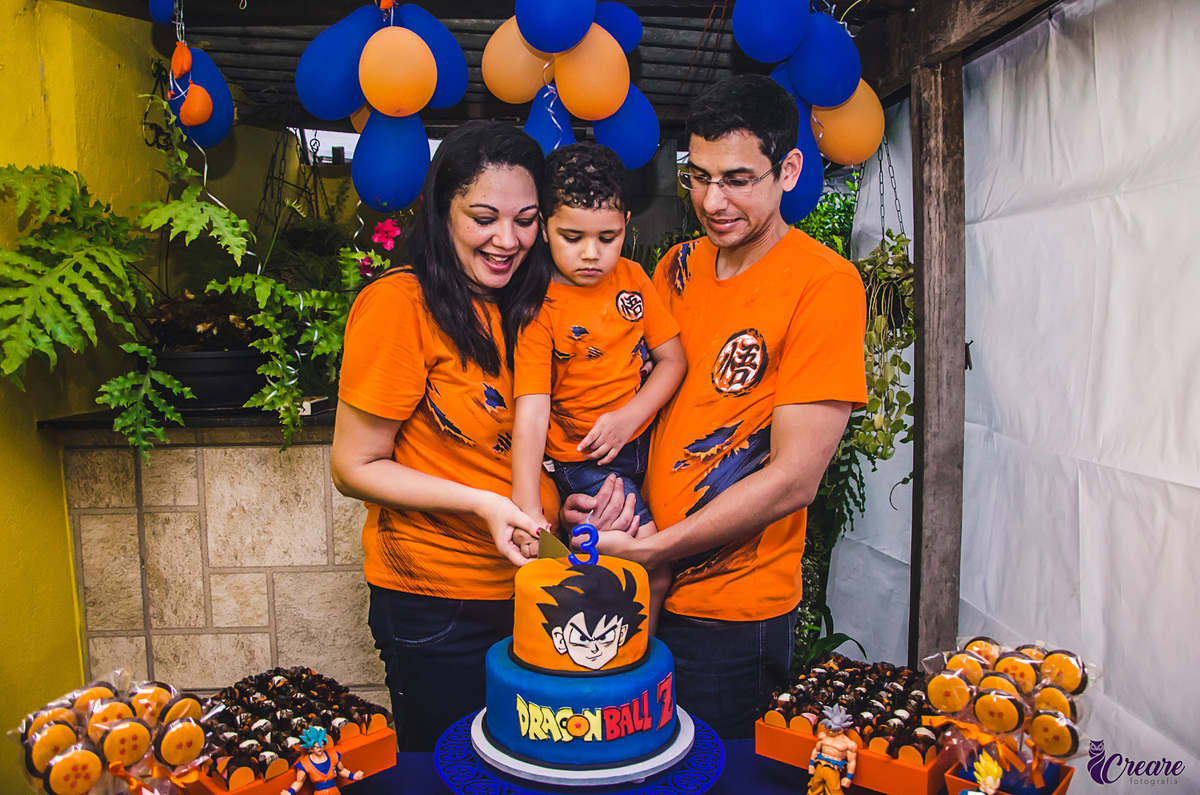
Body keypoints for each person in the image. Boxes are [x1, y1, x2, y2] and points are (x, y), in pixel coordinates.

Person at [563, 75, 868, 738]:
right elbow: (634, 404)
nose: (711, 199)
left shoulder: (824, 285)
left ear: (788, 170)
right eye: (696, 176)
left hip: (733, 615)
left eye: (735, 178)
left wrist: (659, 551)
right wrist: (598, 495)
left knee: (716, 777)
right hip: (640, 584)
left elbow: (794, 478)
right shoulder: (674, 266)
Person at [331, 120, 562, 752]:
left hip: (525, 590)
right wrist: (487, 505)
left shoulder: (526, 306)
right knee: (450, 772)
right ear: (442, 209)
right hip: (439, 602)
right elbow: (355, 466)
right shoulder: (399, 304)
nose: (506, 240)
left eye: (526, 220)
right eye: (483, 217)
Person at [510, 142, 686, 632]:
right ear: (544, 226)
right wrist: (526, 511)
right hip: (588, 464)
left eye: (608, 237)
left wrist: (631, 416)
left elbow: (673, 360)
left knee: (633, 572)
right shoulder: (537, 305)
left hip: (643, 444)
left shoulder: (632, 278)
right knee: (648, 572)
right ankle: (621, 676)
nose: (591, 254)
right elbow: (530, 412)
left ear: (627, 222)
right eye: (572, 236)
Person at [807, 706, 857, 795]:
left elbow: (851, 761)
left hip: (833, 770)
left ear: (841, 729)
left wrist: (848, 777)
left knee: (834, 791)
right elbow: (816, 750)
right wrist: (811, 764)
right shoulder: (823, 736)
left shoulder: (849, 743)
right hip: (820, 766)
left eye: (834, 728)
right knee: (814, 788)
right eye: (829, 727)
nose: (830, 731)